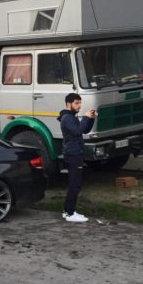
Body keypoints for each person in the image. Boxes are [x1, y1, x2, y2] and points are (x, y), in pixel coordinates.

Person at [58, 93, 96, 223]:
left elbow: (84, 130)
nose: (79, 106)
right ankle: (70, 213)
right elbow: (77, 131)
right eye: (76, 103)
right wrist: (85, 117)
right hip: (73, 155)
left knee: (75, 183)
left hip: (75, 153)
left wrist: (90, 119)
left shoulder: (71, 117)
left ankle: (67, 211)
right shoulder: (67, 118)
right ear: (69, 104)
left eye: (80, 103)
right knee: (75, 184)